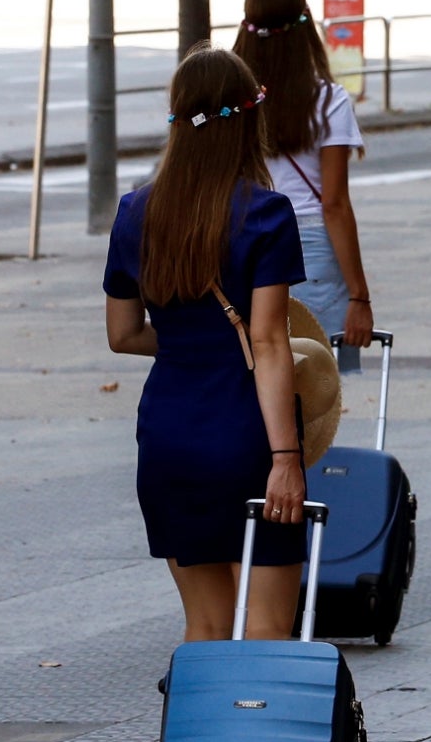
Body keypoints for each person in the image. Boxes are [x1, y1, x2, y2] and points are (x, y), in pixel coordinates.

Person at [105, 48, 310, 643]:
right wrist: (286, 461)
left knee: (206, 623)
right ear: (250, 120)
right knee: (269, 624)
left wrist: (186, 341)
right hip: (245, 431)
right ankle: (258, 736)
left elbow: (122, 334)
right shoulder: (266, 215)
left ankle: (199, 736)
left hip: (169, 432)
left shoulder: (136, 212)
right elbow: (270, 341)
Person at [230, 0, 375, 350]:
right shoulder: (329, 100)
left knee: (251, 375)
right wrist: (359, 295)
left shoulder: (230, 99)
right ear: (305, 27)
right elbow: (334, 204)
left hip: (239, 239)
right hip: (309, 247)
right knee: (316, 386)